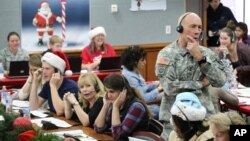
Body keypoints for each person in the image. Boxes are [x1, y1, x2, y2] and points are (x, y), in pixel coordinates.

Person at [155, 12, 227, 140]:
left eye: (199, 27)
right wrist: (199, 84)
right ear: (180, 29)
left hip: (204, 118)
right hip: (175, 120)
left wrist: (200, 58)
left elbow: (220, 80)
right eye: (193, 26)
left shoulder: (207, 53)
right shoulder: (166, 54)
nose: (197, 31)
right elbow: (169, 87)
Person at [94, 74, 151, 140]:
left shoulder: (137, 107)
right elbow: (98, 128)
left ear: (123, 91)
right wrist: (105, 105)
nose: (108, 96)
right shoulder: (115, 103)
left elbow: (118, 135)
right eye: (106, 91)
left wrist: (115, 107)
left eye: (111, 91)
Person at [29, 51, 78, 115]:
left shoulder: (71, 86)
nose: (43, 72)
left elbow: (60, 111)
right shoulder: (48, 85)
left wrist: (53, 86)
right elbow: (33, 107)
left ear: (57, 71)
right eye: (43, 68)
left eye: (47, 69)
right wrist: (35, 82)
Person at [121, 45, 163, 119]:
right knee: (158, 109)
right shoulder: (130, 77)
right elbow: (143, 98)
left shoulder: (133, 71)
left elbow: (142, 88)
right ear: (134, 62)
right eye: (142, 60)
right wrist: (158, 89)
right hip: (135, 105)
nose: (145, 62)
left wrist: (155, 85)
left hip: (138, 102)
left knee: (167, 93)